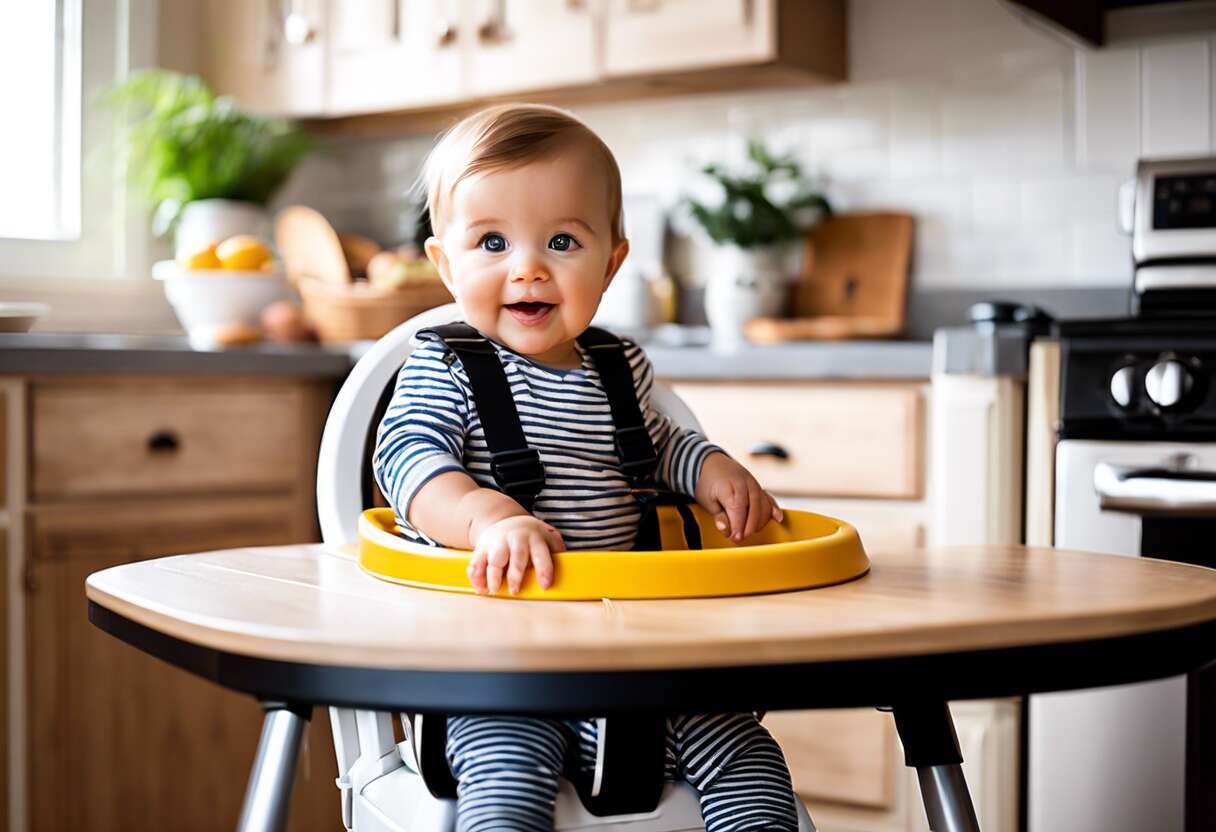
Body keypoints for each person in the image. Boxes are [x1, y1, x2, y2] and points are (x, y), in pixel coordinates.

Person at [373, 102, 801, 832]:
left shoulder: (618, 365)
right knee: (505, 783)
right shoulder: (445, 367)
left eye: (562, 240)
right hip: (501, 675)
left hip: (644, 668)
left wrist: (713, 468)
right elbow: (408, 462)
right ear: (445, 263)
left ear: (611, 262)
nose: (529, 266)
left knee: (751, 757)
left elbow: (660, 446)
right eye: (492, 242)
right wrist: (487, 517)